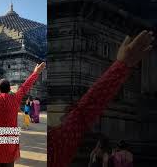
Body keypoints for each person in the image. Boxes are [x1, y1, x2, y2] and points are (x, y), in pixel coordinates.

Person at [48, 30, 155, 167]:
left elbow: (82, 113)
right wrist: (122, 65)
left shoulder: (56, 143)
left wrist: (121, 66)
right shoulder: (57, 144)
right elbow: (83, 112)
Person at [0, 51, 46, 166]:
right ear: (9, 89)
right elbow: (25, 87)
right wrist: (36, 73)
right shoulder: (15, 99)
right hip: (9, 147)